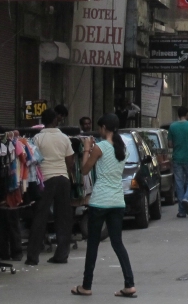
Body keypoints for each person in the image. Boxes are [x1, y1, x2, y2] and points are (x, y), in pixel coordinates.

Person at [73, 114, 137, 298]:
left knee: (93, 243)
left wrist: (86, 149)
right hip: (118, 200)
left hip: (100, 200)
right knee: (117, 243)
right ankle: (129, 284)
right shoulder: (122, 148)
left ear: (103, 128)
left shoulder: (100, 147)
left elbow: (84, 170)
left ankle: (86, 286)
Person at [26, 107, 75, 265]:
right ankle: (61, 255)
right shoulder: (64, 138)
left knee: (40, 217)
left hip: (46, 179)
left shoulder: (37, 139)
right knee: (63, 218)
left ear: (42, 122)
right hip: (63, 178)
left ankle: (33, 256)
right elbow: (70, 161)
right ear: (55, 120)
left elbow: (34, 161)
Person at [168, 106, 188, 218]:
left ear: (178, 114)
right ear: (187, 114)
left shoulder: (172, 126)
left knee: (179, 183)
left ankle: (181, 211)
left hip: (177, 158)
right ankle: (187, 199)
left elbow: (170, 144)